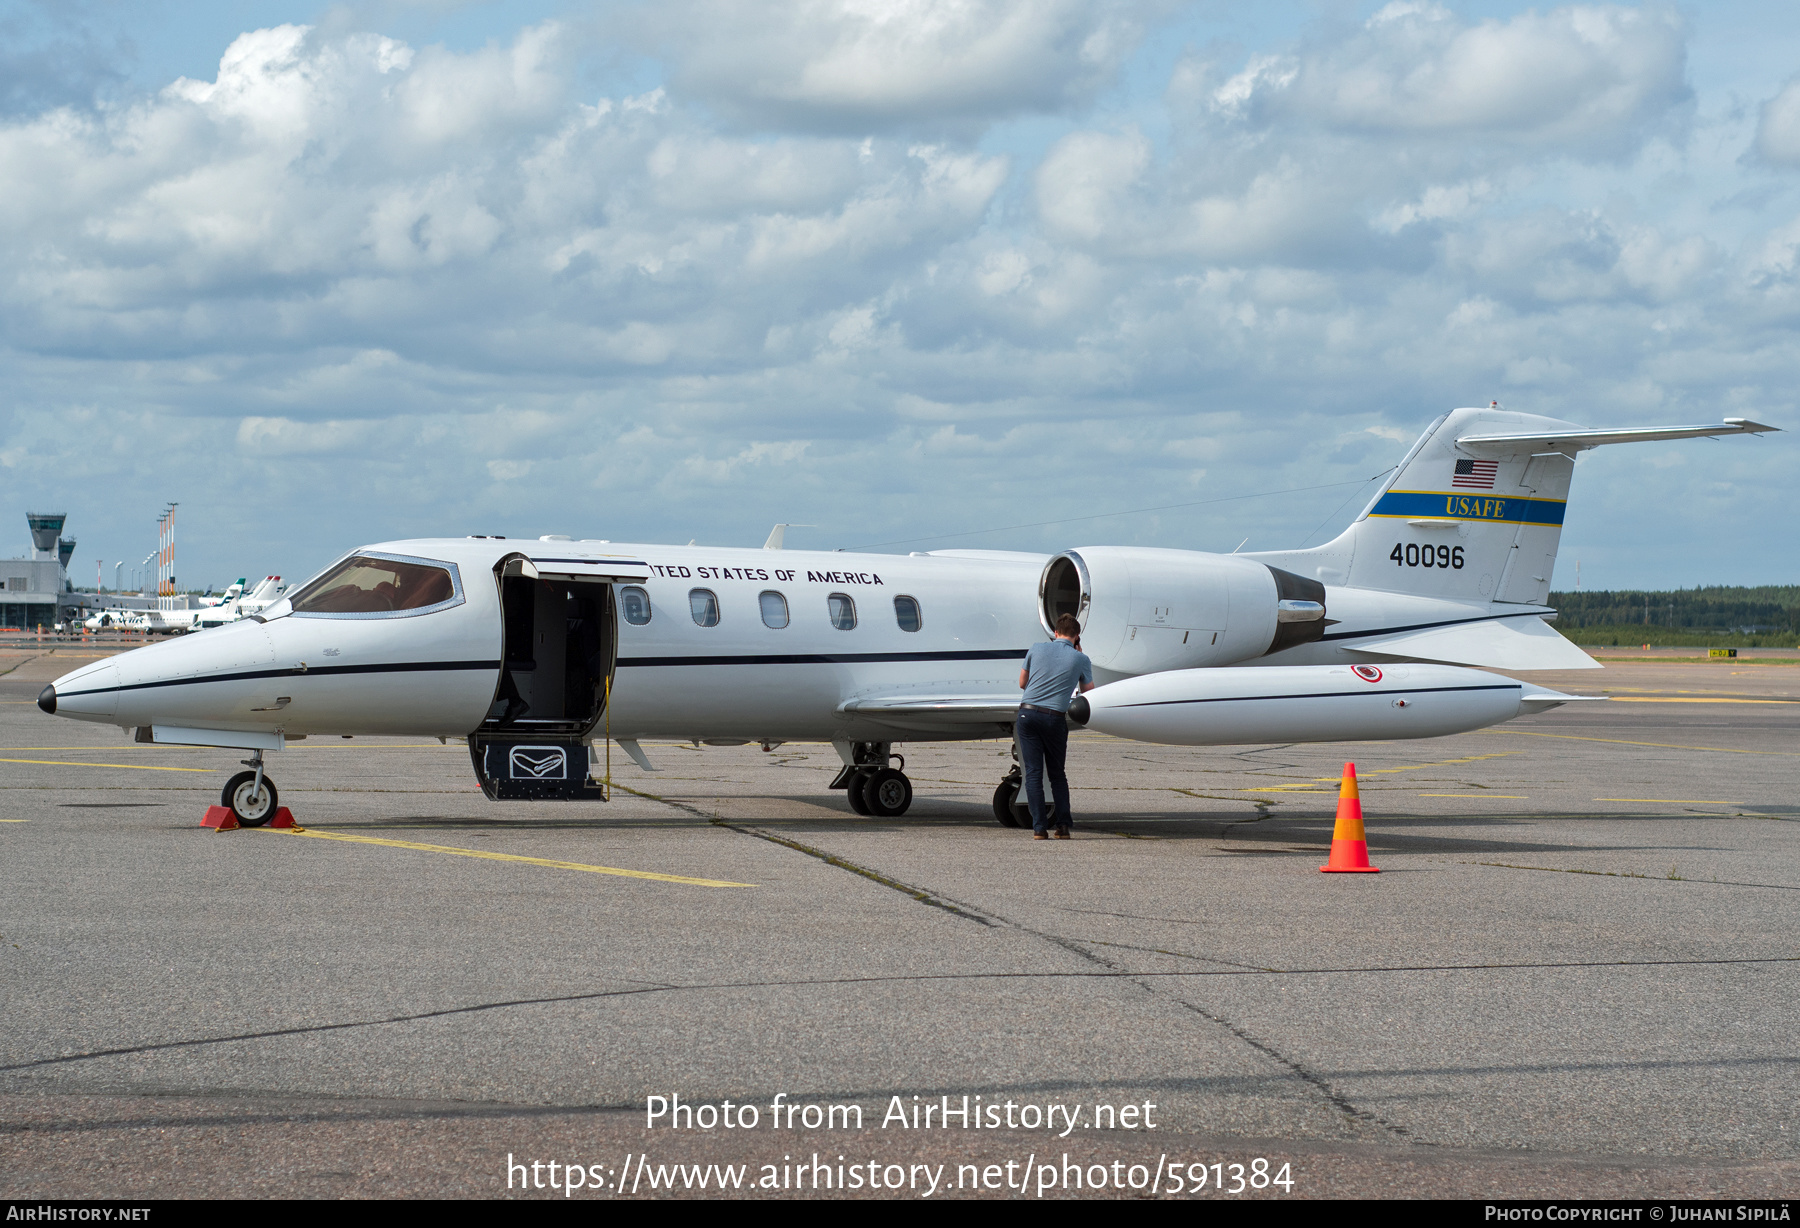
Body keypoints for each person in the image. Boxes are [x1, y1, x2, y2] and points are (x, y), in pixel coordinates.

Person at [1016, 613, 1094, 840]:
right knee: (1057, 775)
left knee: (1032, 773)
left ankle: (1039, 829)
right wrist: (1077, 657)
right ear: (1077, 637)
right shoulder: (1081, 659)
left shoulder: (1036, 648)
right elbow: (1089, 692)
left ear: (1055, 633)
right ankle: (1063, 826)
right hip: (1053, 718)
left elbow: (1022, 683)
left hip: (1027, 715)